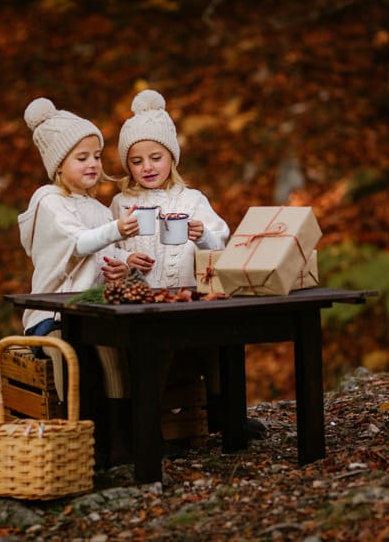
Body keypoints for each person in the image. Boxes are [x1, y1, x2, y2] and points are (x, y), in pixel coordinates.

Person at [110, 89, 232, 444]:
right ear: (127, 165)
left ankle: (225, 414)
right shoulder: (122, 203)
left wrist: (202, 234)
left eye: (156, 157)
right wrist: (126, 259)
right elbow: (110, 251)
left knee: (218, 344)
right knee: (155, 353)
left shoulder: (190, 200)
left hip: (188, 299)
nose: (147, 167)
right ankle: (148, 424)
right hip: (144, 304)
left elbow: (220, 241)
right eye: (137, 161)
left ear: (172, 158)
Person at [18, 97, 137, 409]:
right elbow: (80, 243)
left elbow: (105, 253)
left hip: (93, 311)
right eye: (81, 157)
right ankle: (76, 426)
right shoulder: (49, 202)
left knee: (116, 351)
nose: (93, 164)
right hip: (53, 314)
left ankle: (119, 431)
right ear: (59, 165)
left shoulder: (97, 209)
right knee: (68, 351)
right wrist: (117, 230)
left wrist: (125, 264)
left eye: (96, 156)